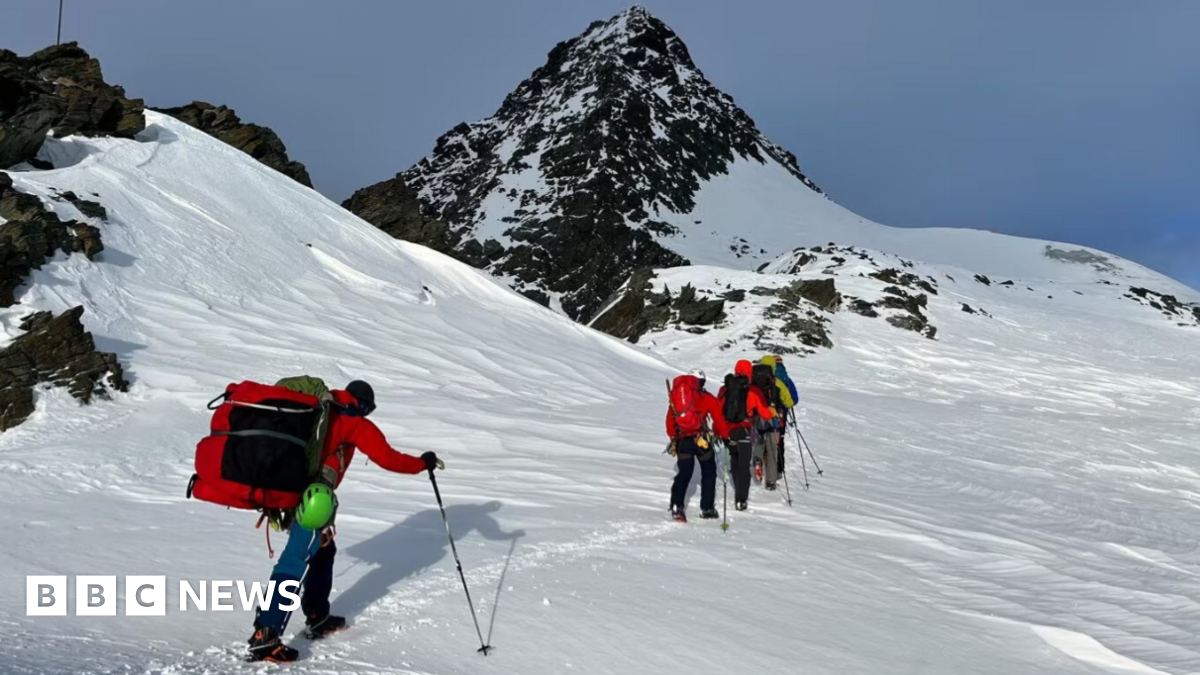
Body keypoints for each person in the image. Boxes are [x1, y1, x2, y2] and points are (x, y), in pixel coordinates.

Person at [248, 380, 441, 663]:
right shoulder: (353, 421)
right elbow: (388, 458)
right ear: (364, 405)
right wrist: (423, 463)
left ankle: (317, 615)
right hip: (313, 500)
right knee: (295, 559)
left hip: (289, 494)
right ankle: (266, 635)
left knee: (324, 550)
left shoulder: (317, 409)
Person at [664, 368, 722, 522]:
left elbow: (670, 424)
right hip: (701, 439)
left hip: (683, 440)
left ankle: (677, 505)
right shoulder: (706, 397)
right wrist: (721, 434)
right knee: (709, 470)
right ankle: (707, 508)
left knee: (684, 474)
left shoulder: (676, 398)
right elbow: (719, 418)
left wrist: (674, 438)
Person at [718, 360, 775, 511]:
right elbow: (764, 412)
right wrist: (773, 412)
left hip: (729, 431)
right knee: (744, 465)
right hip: (744, 430)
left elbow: (718, 410)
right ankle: (741, 498)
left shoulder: (725, 389)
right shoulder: (753, 391)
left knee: (735, 460)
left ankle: (738, 487)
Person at [763, 355, 798, 473]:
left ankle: (765, 461)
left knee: (765, 435)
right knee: (779, 439)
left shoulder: (765, 377)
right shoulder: (786, 379)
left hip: (767, 411)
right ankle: (779, 468)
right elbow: (794, 399)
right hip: (781, 413)